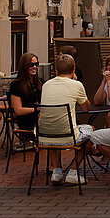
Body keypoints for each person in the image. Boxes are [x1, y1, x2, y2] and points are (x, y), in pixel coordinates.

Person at [39, 55, 92, 186]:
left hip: (43, 136)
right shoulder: (76, 85)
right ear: (73, 69)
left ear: (56, 70)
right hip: (68, 136)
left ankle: (57, 172)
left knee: (53, 126)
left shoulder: (46, 85)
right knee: (91, 131)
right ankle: (73, 172)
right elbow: (86, 108)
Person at [8, 53, 42, 137]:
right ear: (24, 66)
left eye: (36, 64)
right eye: (31, 65)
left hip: (39, 115)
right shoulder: (16, 85)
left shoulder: (39, 82)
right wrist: (37, 109)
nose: (34, 67)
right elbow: (18, 111)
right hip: (26, 117)